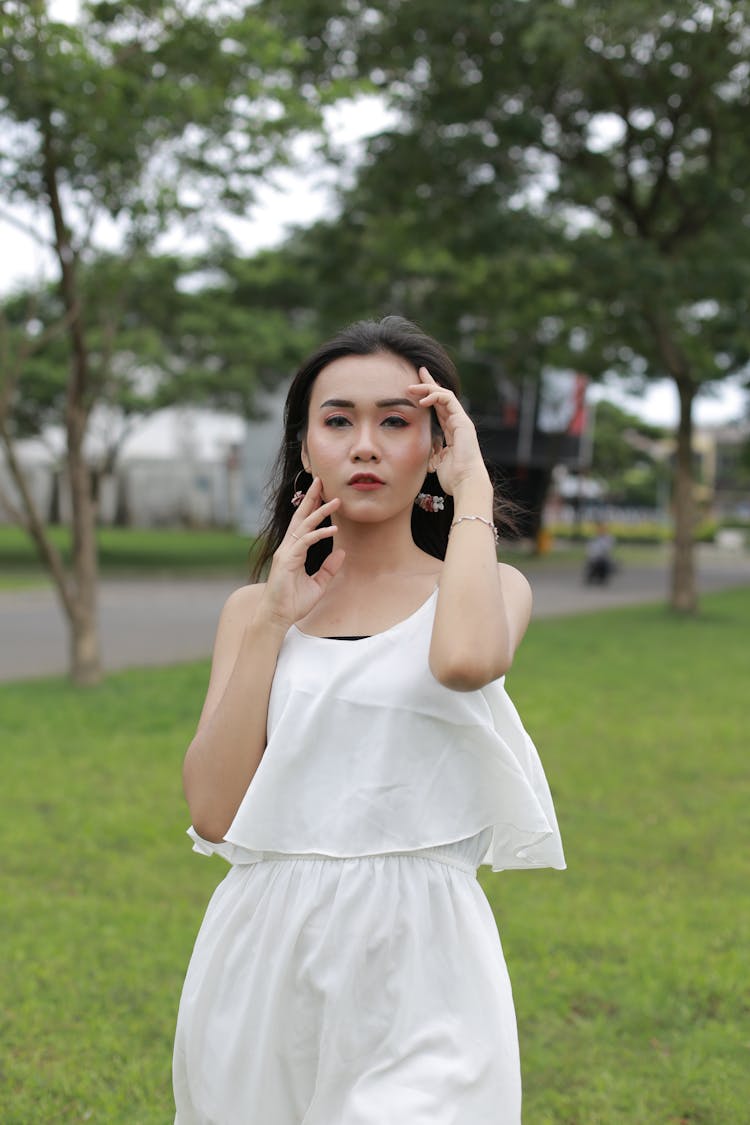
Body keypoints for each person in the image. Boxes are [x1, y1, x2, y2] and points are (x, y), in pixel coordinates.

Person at [172, 316, 565, 1125]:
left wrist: (476, 491)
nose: (365, 444)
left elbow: (463, 660)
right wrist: (275, 619)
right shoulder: (253, 611)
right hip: (265, 947)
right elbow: (212, 810)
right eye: (338, 419)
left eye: (396, 420)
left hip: (426, 953)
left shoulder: (492, 590)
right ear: (305, 445)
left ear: (435, 442)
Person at [584, 521, 616, 585]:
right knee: (593, 563)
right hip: (594, 557)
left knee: (603, 563)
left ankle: (602, 578)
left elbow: (607, 549)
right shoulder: (593, 538)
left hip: (603, 558)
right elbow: (589, 549)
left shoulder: (609, 538)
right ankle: (592, 577)